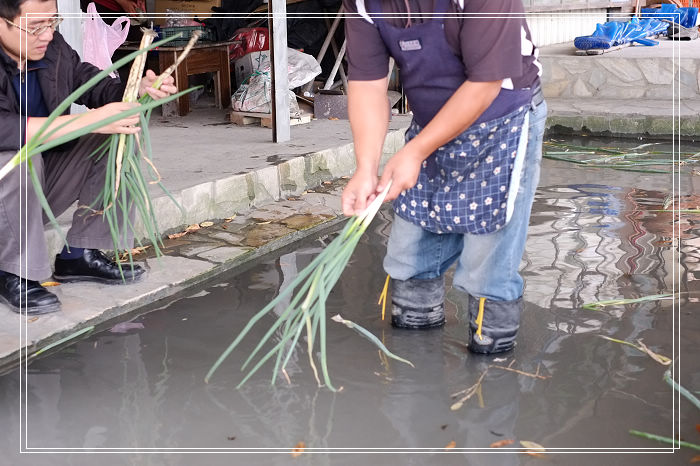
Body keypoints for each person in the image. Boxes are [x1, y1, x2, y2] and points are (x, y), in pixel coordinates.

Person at [341, 0, 547, 354]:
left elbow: (486, 83)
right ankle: (410, 370)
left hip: (502, 122)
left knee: (487, 267)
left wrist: (416, 152)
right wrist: (365, 167)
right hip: (430, 125)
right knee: (409, 257)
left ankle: (489, 375)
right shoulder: (363, 2)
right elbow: (368, 84)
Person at [0, 0, 176, 315]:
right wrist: (91, 120)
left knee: (117, 134)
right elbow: (5, 129)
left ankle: (78, 254)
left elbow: (90, 83)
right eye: (35, 27)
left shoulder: (52, 48)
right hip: (8, 187)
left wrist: (137, 91)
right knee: (18, 156)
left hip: (34, 191)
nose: (47, 34)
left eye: (52, 22)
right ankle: (14, 271)